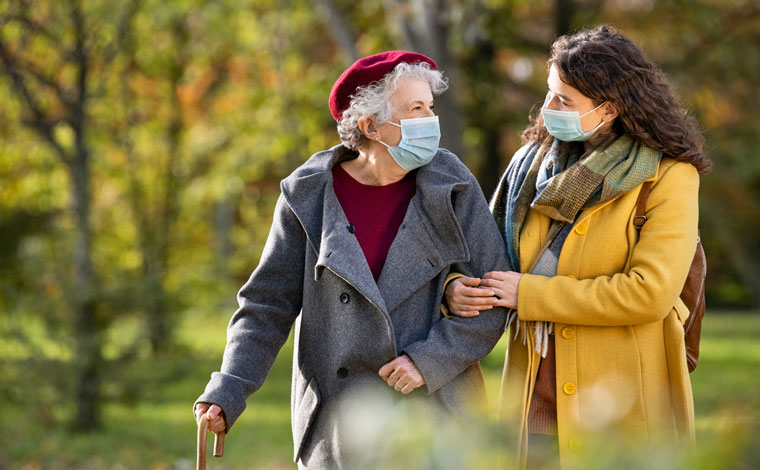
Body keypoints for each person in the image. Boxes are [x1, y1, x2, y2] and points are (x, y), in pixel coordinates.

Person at [194, 51, 510, 469]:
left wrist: (430, 360)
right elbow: (266, 307)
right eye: (415, 109)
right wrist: (228, 388)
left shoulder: (451, 183)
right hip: (339, 424)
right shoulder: (307, 196)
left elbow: (495, 291)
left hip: (438, 417)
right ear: (370, 126)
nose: (430, 120)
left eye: (429, 107)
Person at [445, 25, 711, 469]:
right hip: (532, 400)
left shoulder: (669, 177)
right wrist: (456, 287)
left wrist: (528, 295)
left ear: (608, 110)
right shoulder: (529, 168)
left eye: (564, 101)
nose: (547, 109)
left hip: (622, 404)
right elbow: (481, 257)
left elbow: (649, 292)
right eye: (549, 93)